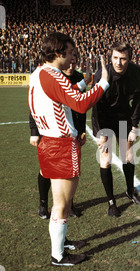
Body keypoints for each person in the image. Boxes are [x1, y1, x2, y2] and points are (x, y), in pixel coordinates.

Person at [28, 32, 109, 266]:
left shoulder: (38, 73)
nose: (73, 58)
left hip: (48, 142)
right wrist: (104, 81)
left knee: (59, 203)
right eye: (71, 52)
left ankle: (60, 244)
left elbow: (60, 95)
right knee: (62, 204)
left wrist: (86, 83)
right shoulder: (54, 75)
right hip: (61, 144)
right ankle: (58, 256)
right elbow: (81, 103)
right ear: (58, 51)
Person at [29, 49, 90, 219]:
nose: (71, 65)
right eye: (69, 61)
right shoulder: (49, 76)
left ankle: (68, 205)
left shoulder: (77, 77)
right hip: (49, 132)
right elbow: (35, 105)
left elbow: (79, 109)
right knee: (46, 171)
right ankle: (43, 203)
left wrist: (82, 130)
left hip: (70, 133)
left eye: (74, 62)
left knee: (67, 175)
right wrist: (34, 132)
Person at [91, 42, 140, 218]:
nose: (118, 62)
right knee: (105, 160)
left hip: (124, 117)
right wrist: (99, 132)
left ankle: (130, 191)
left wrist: (135, 126)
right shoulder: (102, 73)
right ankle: (111, 202)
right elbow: (95, 106)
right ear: (110, 57)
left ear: (129, 59)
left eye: (123, 58)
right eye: (115, 58)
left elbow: (138, 101)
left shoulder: (136, 73)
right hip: (104, 118)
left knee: (128, 156)